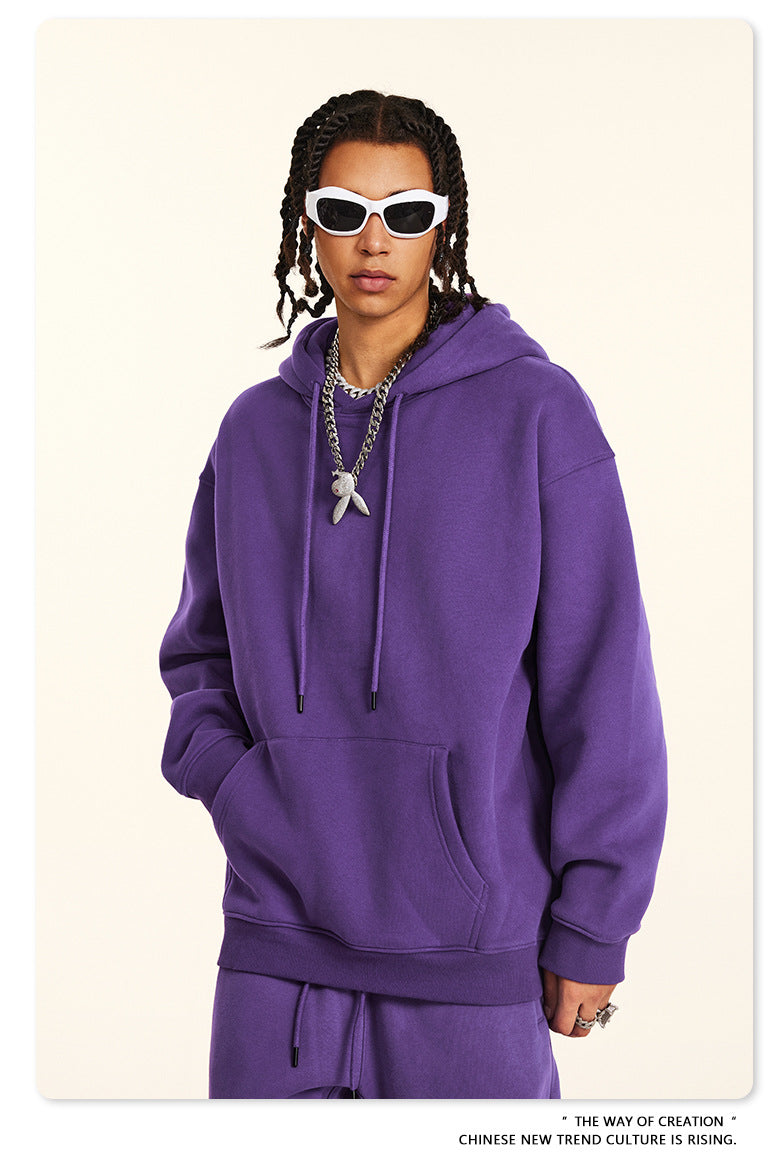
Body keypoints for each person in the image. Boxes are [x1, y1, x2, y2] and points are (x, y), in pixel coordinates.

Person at [158, 89, 667, 1100]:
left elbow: (601, 679)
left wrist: (594, 922)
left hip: (471, 963)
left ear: (444, 226)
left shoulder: (536, 412)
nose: (373, 240)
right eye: (344, 211)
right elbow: (199, 656)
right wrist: (241, 786)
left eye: (405, 212)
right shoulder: (253, 432)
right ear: (307, 227)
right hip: (275, 960)